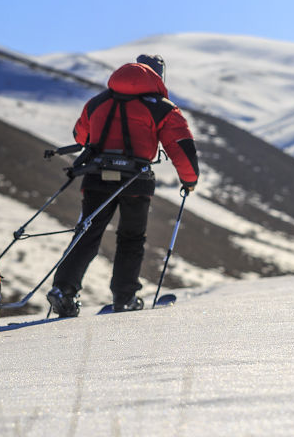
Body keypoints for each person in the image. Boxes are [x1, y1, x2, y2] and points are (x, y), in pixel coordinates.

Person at [46, 54, 199, 316]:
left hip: (96, 176)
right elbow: (181, 146)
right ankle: (124, 297)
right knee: (131, 238)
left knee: (87, 234)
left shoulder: (99, 102)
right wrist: (189, 180)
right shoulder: (162, 108)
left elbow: (80, 135)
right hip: (135, 181)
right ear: (158, 76)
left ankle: (64, 290)